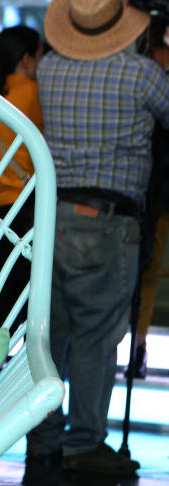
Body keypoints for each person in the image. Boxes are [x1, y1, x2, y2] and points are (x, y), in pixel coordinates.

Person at [28, 0, 169, 474]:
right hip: (110, 221)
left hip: (53, 216)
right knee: (96, 338)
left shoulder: (49, 70)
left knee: (53, 334)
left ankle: (42, 436)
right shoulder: (142, 75)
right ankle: (84, 445)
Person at [0, 25, 44, 330]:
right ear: (27, 59)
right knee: (25, 300)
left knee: (3, 296)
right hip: (28, 210)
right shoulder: (32, 93)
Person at [135, 23, 169, 378]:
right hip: (152, 191)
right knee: (145, 274)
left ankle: (138, 345)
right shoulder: (147, 78)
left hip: (150, 190)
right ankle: (138, 345)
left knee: (143, 273)